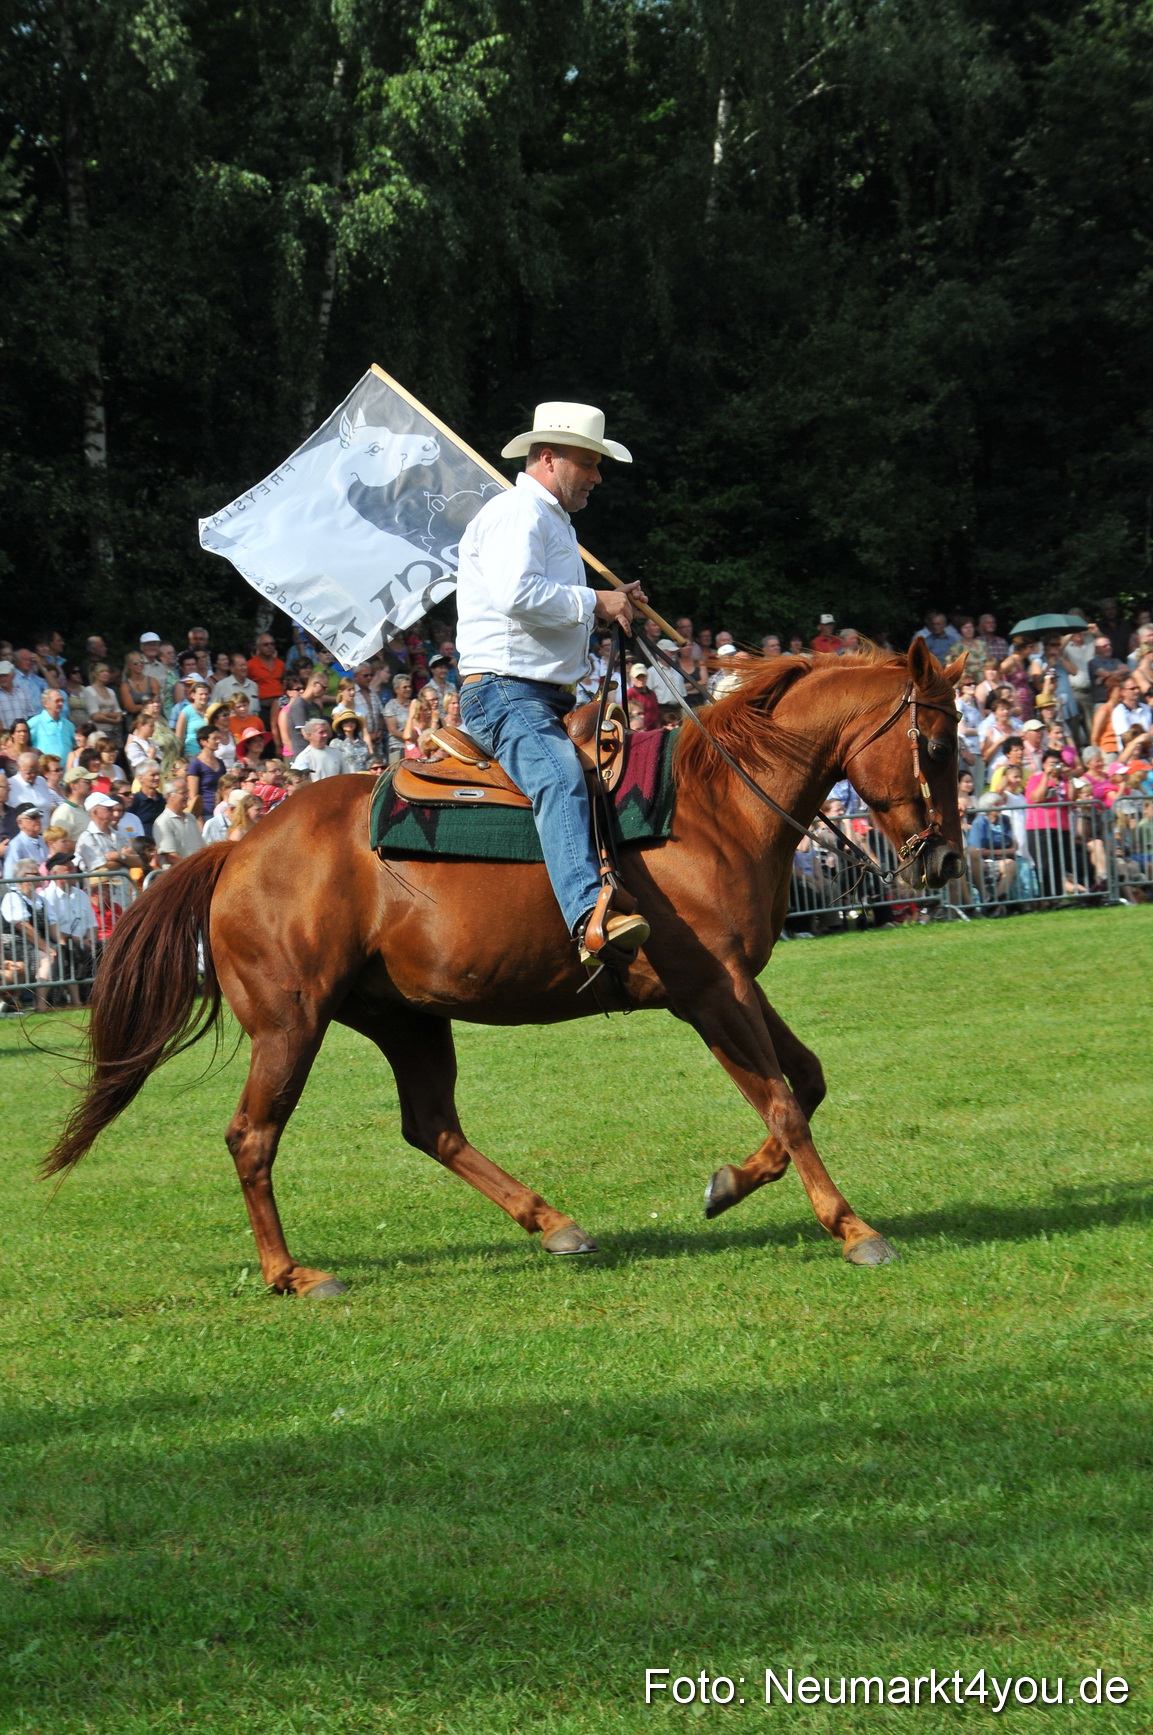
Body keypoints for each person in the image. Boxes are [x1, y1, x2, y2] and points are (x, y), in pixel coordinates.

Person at [455, 400, 649, 960]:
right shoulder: (519, 513)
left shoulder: (549, 519)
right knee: (561, 777)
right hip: (504, 691)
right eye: (588, 463)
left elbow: (547, 602)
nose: (596, 477)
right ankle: (589, 916)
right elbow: (516, 594)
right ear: (548, 458)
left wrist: (608, 603)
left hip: (541, 693)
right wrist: (595, 601)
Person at [152, 776, 203, 863]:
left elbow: (202, 848)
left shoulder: (191, 818)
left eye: (187, 792)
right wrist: (194, 867)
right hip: (180, 870)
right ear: (169, 795)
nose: (187, 796)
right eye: (183, 792)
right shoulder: (163, 822)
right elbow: (171, 857)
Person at [79, 663, 124, 746]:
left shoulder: (110, 691)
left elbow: (118, 712)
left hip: (116, 732)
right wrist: (114, 720)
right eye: (102, 671)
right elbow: (95, 717)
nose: (105, 673)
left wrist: (106, 714)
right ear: (94, 674)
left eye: (107, 671)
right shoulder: (89, 690)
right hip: (100, 732)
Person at [27, 687, 77, 760]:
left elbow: (76, 744)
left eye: (62, 700)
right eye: (57, 701)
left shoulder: (69, 725)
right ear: (45, 703)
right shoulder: (35, 723)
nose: (61, 703)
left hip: (67, 766)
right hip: (45, 765)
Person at [247, 633, 286, 726]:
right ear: (258, 647)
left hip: (282, 706)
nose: (270, 647)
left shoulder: (280, 664)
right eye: (266, 644)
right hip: (261, 707)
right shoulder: (250, 664)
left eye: (272, 644)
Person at [50, 767, 92, 844]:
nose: (91, 785)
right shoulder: (64, 812)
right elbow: (59, 844)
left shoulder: (87, 808)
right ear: (73, 786)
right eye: (87, 781)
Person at [5, 804, 48, 878]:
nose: (37, 820)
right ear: (20, 822)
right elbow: (9, 876)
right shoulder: (16, 845)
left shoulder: (44, 841)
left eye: (39, 816)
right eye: (33, 817)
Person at [118, 652, 160, 722]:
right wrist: (149, 706)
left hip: (153, 717)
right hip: (134, 720)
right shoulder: (125, 685)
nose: (139, 664)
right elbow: (130, 708)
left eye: (141, 662)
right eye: (135, 663)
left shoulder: (153, 681)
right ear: (129, 665)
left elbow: (156, 701)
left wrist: (143, 707)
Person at [626, 664, 661, 730]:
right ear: (632, 678)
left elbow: (657, 713)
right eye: (638, 677)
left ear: (647, 677)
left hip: (653, 730)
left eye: (643, 676)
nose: (641, 679)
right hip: (638, 730)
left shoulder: (652, 694)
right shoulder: (630, 693)